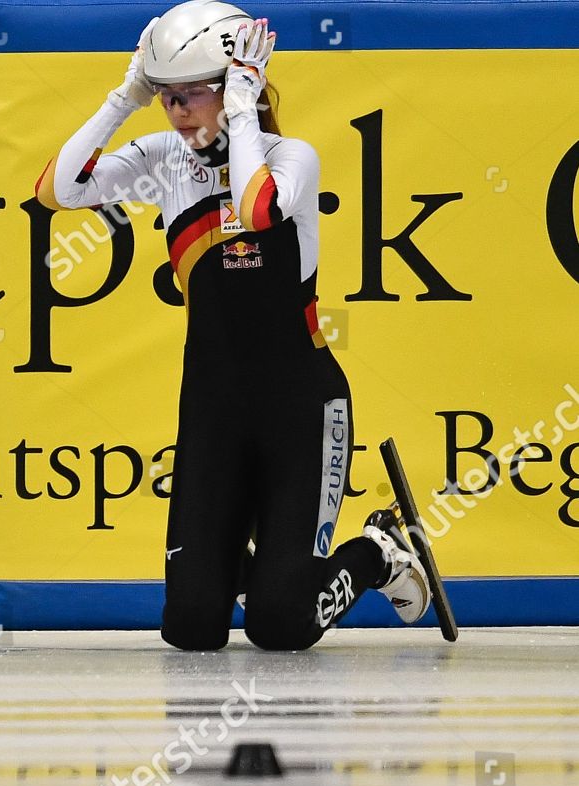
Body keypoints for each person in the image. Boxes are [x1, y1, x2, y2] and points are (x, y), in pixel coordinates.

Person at [35, 0, 429, 650]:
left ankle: (376, 554)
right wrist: (124, 96)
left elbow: (255, 207)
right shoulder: (165, 158)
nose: (176, 112)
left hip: (300, 407)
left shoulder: (290, 157)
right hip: (214, 410)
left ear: (234, 85)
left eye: (191, 96)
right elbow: (59, 189)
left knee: (280, 624)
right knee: (190, 625)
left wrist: (243, 109)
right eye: (167, 97)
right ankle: (253, 566)